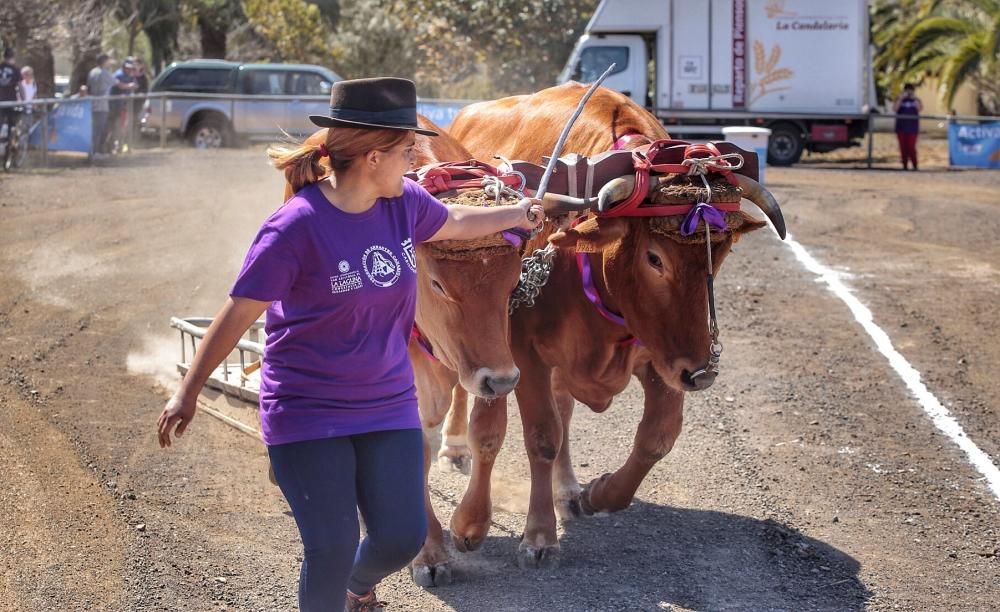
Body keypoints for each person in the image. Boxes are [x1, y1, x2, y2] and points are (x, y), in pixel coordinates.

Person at [156, 77, 544, 612]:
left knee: (402, 537)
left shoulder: (403, 203)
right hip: (308, 410)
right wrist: (188, 389)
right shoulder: (294, 228)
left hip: (386, 406)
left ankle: (354, 588)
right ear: (373, 156)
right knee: (332, 547)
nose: (415, 162)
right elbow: (236, 313)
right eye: (408, 151)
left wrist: (520, 213)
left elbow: (453, 220)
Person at [894, 83, 923, 171]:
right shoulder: (900, 99)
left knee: (911, 147)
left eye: (910, 90)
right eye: (907, 90)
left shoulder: (916, 100)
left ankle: (914, 165)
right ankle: (905, 165)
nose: (909, 92)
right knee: (903, 147)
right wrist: (901, 98)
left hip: (912, 128)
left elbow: (920, 108)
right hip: (901, 127)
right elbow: (895, 108)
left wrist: (914, 98)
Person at [0, 48, 22, 143]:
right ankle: (9, 145)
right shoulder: (15, 69)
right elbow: (20, 86)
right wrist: (24, 100)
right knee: (12, 124)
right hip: (11, 100)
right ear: (12, 58)